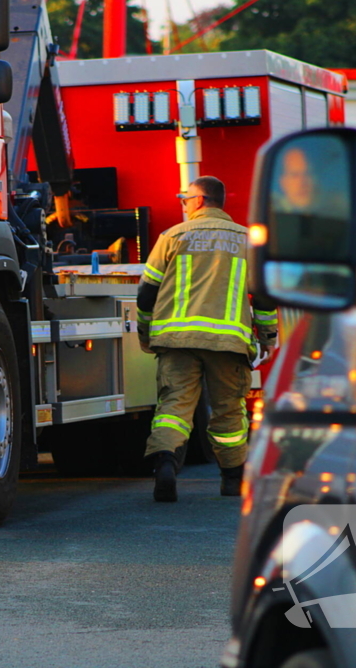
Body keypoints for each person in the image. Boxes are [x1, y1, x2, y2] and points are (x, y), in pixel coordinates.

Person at [136, 176, 277, 502]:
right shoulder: (247, 241)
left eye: (185, 199)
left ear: (199, 201)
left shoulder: (171, 236)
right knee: (229, 410)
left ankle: (167, 463)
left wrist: (145, 332)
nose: (184, 205)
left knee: (174, 407)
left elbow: (147, 292)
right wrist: (268, 337)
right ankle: (231, 479)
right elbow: (264, 297)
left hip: (177, 341)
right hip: (228, 345)